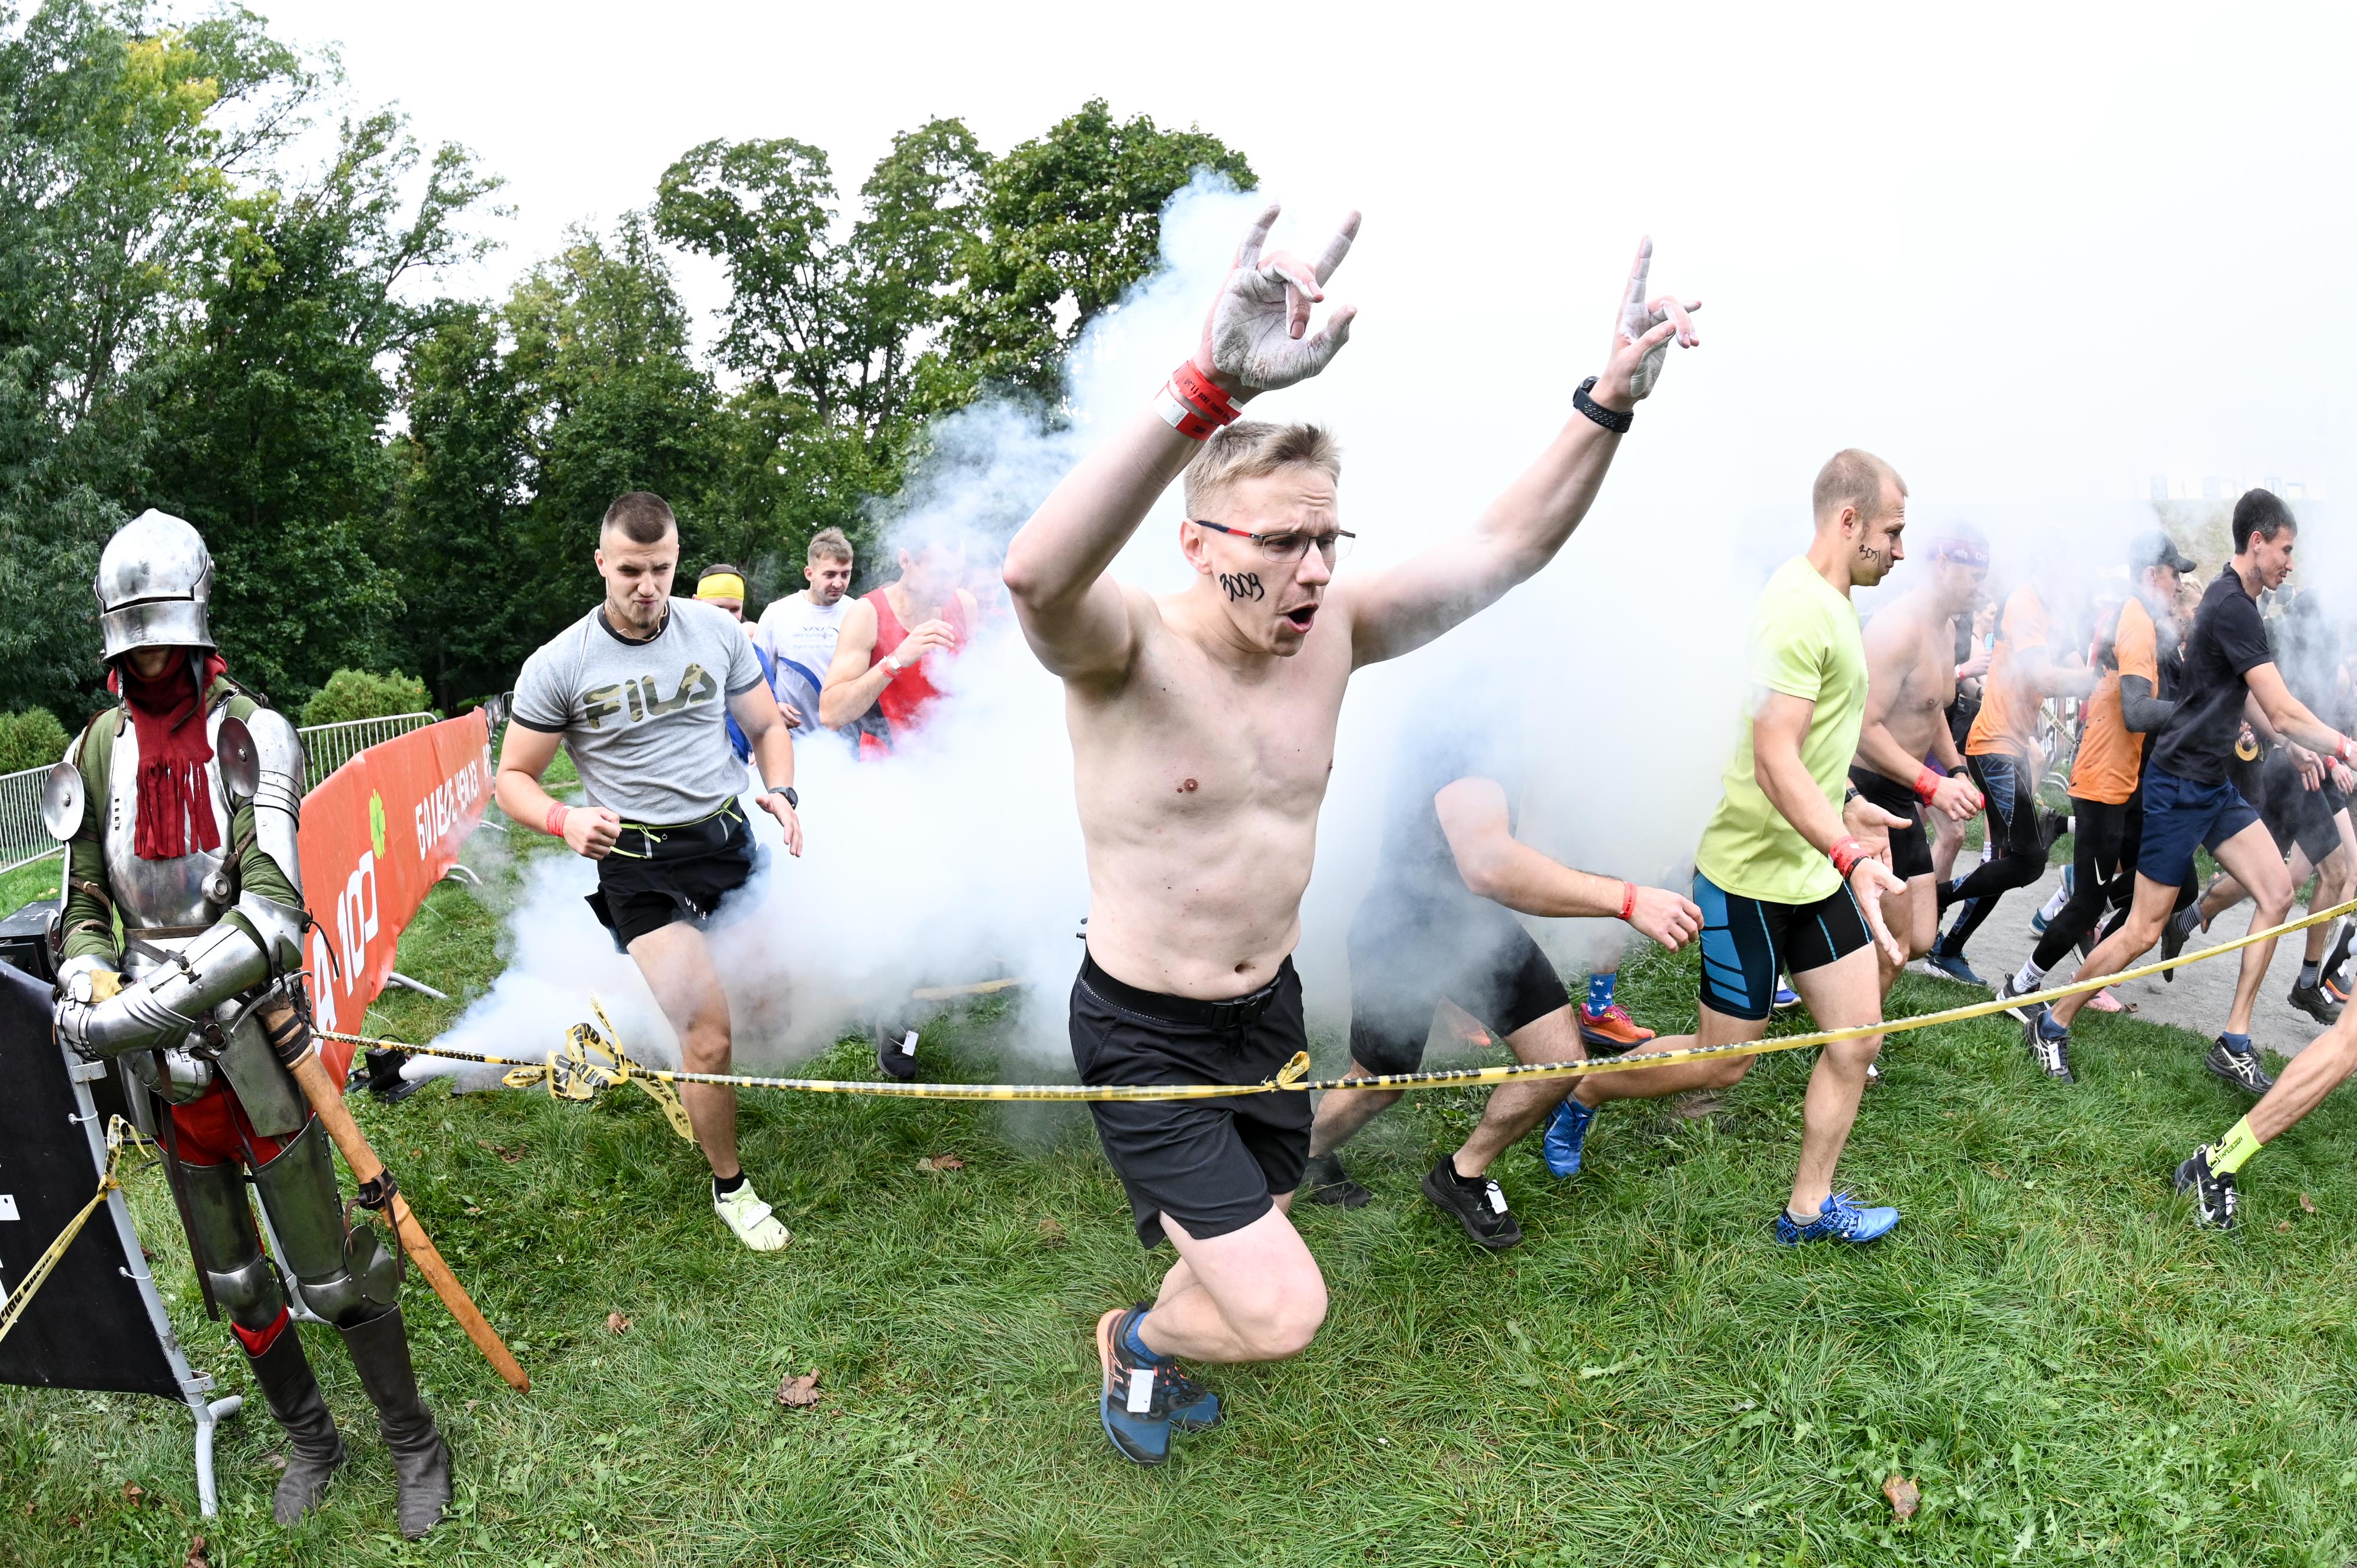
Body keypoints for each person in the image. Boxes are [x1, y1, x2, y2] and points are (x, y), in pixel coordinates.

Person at [999, 207, 1698, 1465]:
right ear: (1198, 545)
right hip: (1145, 1030)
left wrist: (1605, 403)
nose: (1315, 570)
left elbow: (1505, 547)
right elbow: (1036, 578)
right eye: (1282, 541)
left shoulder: (1336, 631)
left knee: (1264, 1207)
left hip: (1265, 1011)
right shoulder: (1124, 648)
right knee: (1282, 1310)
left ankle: (1152, 1338)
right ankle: (1141, 1339)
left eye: (1329, 538)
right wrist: (1203, 386)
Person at [48, 510, 451, 1536]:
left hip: (253, 1039)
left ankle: (413, 1439)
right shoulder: (95, 750)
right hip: (161, 1068)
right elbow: (83, 900)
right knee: (234, 1278)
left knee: (330, 1272)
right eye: (133, 639)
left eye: (162, 635)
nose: (149, 656)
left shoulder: (253, 734)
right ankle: (312, 1439)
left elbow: (272, 913)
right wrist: (88, 977)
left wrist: (135, 1012)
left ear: (192, 626)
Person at [1536, 450, 1914, 1247]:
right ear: (1848, 520)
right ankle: (1589, 1089)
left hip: (1813, 872)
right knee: (1723, 1061)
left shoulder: (1836, 604)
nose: (1900, 550)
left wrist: (1848, 802)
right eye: (1891, 532)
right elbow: (1773, 758)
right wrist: (1848, 851)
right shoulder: (1796, 608)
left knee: (1857, 1040)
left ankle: (1807, 1211)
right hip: (1746, 877)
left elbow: (1804, 746)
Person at [494, 491, 807, 1251]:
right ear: (602, 563)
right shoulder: (560, 663)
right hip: (638, 867)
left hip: (728, 843)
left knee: (771, 1003)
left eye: (660, 569)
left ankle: (689, 1057)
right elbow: (512, 779)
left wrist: (782, 790)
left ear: (676, 562)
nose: (647, 586)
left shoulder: (716, 632)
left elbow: (767, 725)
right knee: (709, 1036)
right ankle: (730, 1188)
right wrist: (564, 819)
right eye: (631, 570)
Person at [1295, 698, 1700, 1246]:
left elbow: (1513, 845)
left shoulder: (1515, 707)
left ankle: (1461, 1175)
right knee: (1378, 1085)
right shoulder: (1462, 712)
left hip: (1478, 926)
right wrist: (1627, 900)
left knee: (1558, 1062)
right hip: (1405, 931)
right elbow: (1489, 865)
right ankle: (1308, 1154)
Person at [2024, 490, 2357, 1092]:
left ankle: (2234, 1041)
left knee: (2277, 892)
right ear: (2256, 542)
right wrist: (2344, 747)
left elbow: (2242, 696)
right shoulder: (2231, 606)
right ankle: (2051, 1021)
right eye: (2285, 550)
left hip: (2212, 785)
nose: (2290, 563)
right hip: (2178, 786)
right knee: (2143, 929)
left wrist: (2290, 745)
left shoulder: (2238, 604)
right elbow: (2282, 707)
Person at [1993, 533, 2195, 1059]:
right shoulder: (2136, 617)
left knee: (2178, 882)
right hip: (2104, 783)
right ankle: (2019, 987)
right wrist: (2198, 712)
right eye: (2175, 574)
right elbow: (2137, 710)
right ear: (2153, 574)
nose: (2179, 585)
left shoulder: (2140, 617)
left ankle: (2097, 923)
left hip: (2123, 783)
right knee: (2087, 899)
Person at [1926, 571, 2094, 983]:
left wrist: (2100, 673)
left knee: (2008, 863)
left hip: (2011, 749)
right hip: (1992, 748)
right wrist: (2103, 678)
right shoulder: (2025, 601)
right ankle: (1936, 897)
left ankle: (1947, 948)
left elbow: (2077, 672)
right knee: (2029, 860)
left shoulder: (2056, 612)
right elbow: (2048, 678)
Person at [1849, 524, 1989, 994]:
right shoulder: (1899, 628)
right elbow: (1864, 728)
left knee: (1922, 937)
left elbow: (1932, 710)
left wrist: (1957, 770)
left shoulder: (1946, 629)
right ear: (1943, 566)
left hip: (1903, 796)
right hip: (1867, 795)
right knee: (1893, 944)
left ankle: (1838, 963)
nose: (1981, 587)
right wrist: (1932, 786)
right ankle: (1857, 1029)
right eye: (1975, 576)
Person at [819, 532, 978, 755]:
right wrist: (895, 661)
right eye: (940, 574)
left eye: (958, 572)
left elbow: (975, 690)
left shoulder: (964, 604)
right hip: (889, 769)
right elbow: (831, 715)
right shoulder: (868, 613)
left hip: (953, 762)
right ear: (905, 560)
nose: (950, 585)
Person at [755, 527, 856, 735]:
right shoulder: (778, 613)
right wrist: (773, 706)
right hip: (795, 740)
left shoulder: (859, 612)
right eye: (830, 575)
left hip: (849, 743)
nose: (838, 583)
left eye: (845, 574)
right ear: (809, 573)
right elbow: (754, 673)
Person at [695, 563, 783, 766]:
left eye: (734, 609)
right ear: (695, 603)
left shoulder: (754, 655)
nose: (726, 617)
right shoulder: (676, 650)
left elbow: (768, 714)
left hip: (741, 764)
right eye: (718, 608)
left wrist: (762, 748)